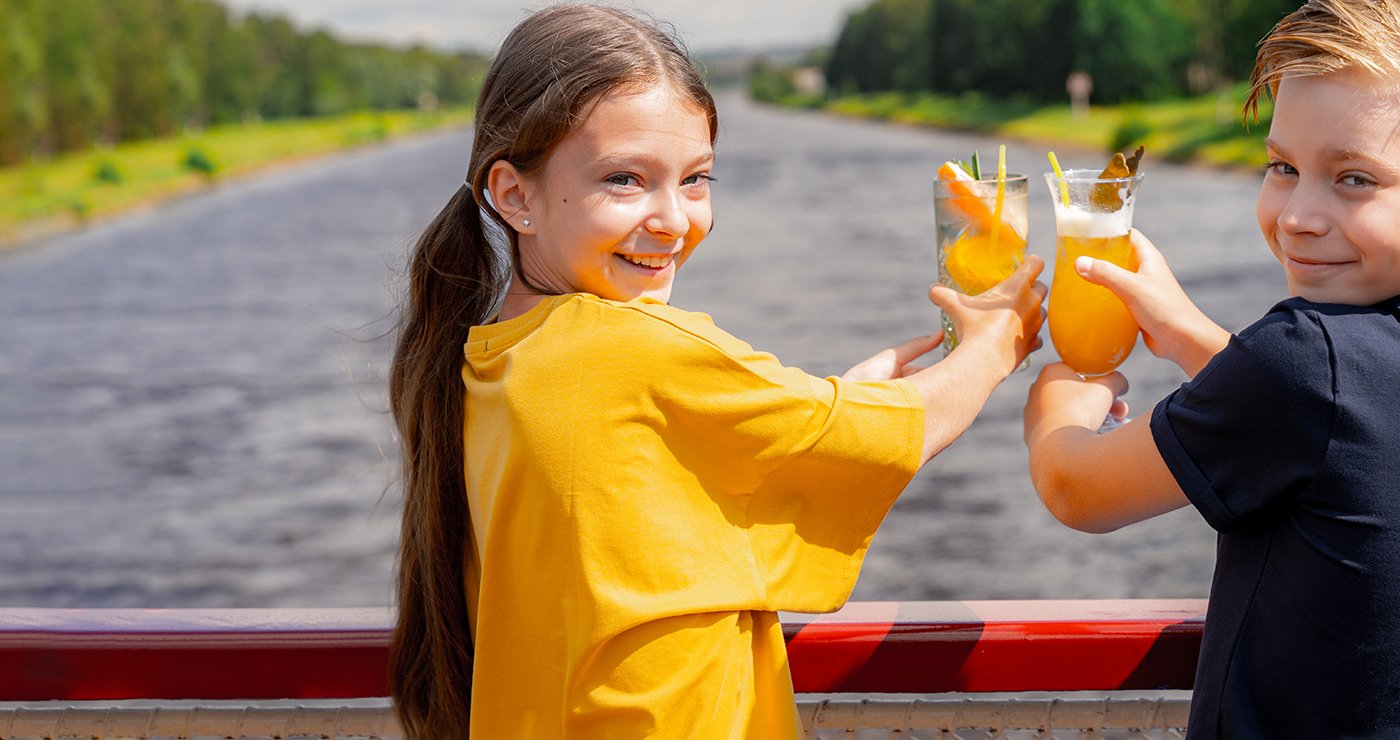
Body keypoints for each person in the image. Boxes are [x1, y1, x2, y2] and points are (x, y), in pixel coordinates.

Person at [386, 5, 1045, 737]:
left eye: (696, 179)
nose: (674, 219)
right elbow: (895, 432)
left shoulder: (492, 355)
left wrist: (842, 403)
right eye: (625, 179)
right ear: (515, 195)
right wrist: (997, 342)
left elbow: (672, 499)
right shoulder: (629, 348)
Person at [1023, 0, 1400, 736]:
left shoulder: (1305, 359)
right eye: (1283, 167)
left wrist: (1057, 403)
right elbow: (1348, 430)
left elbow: (1076, 489)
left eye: (1354, 179)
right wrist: (1185, 333)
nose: (1295, 217)